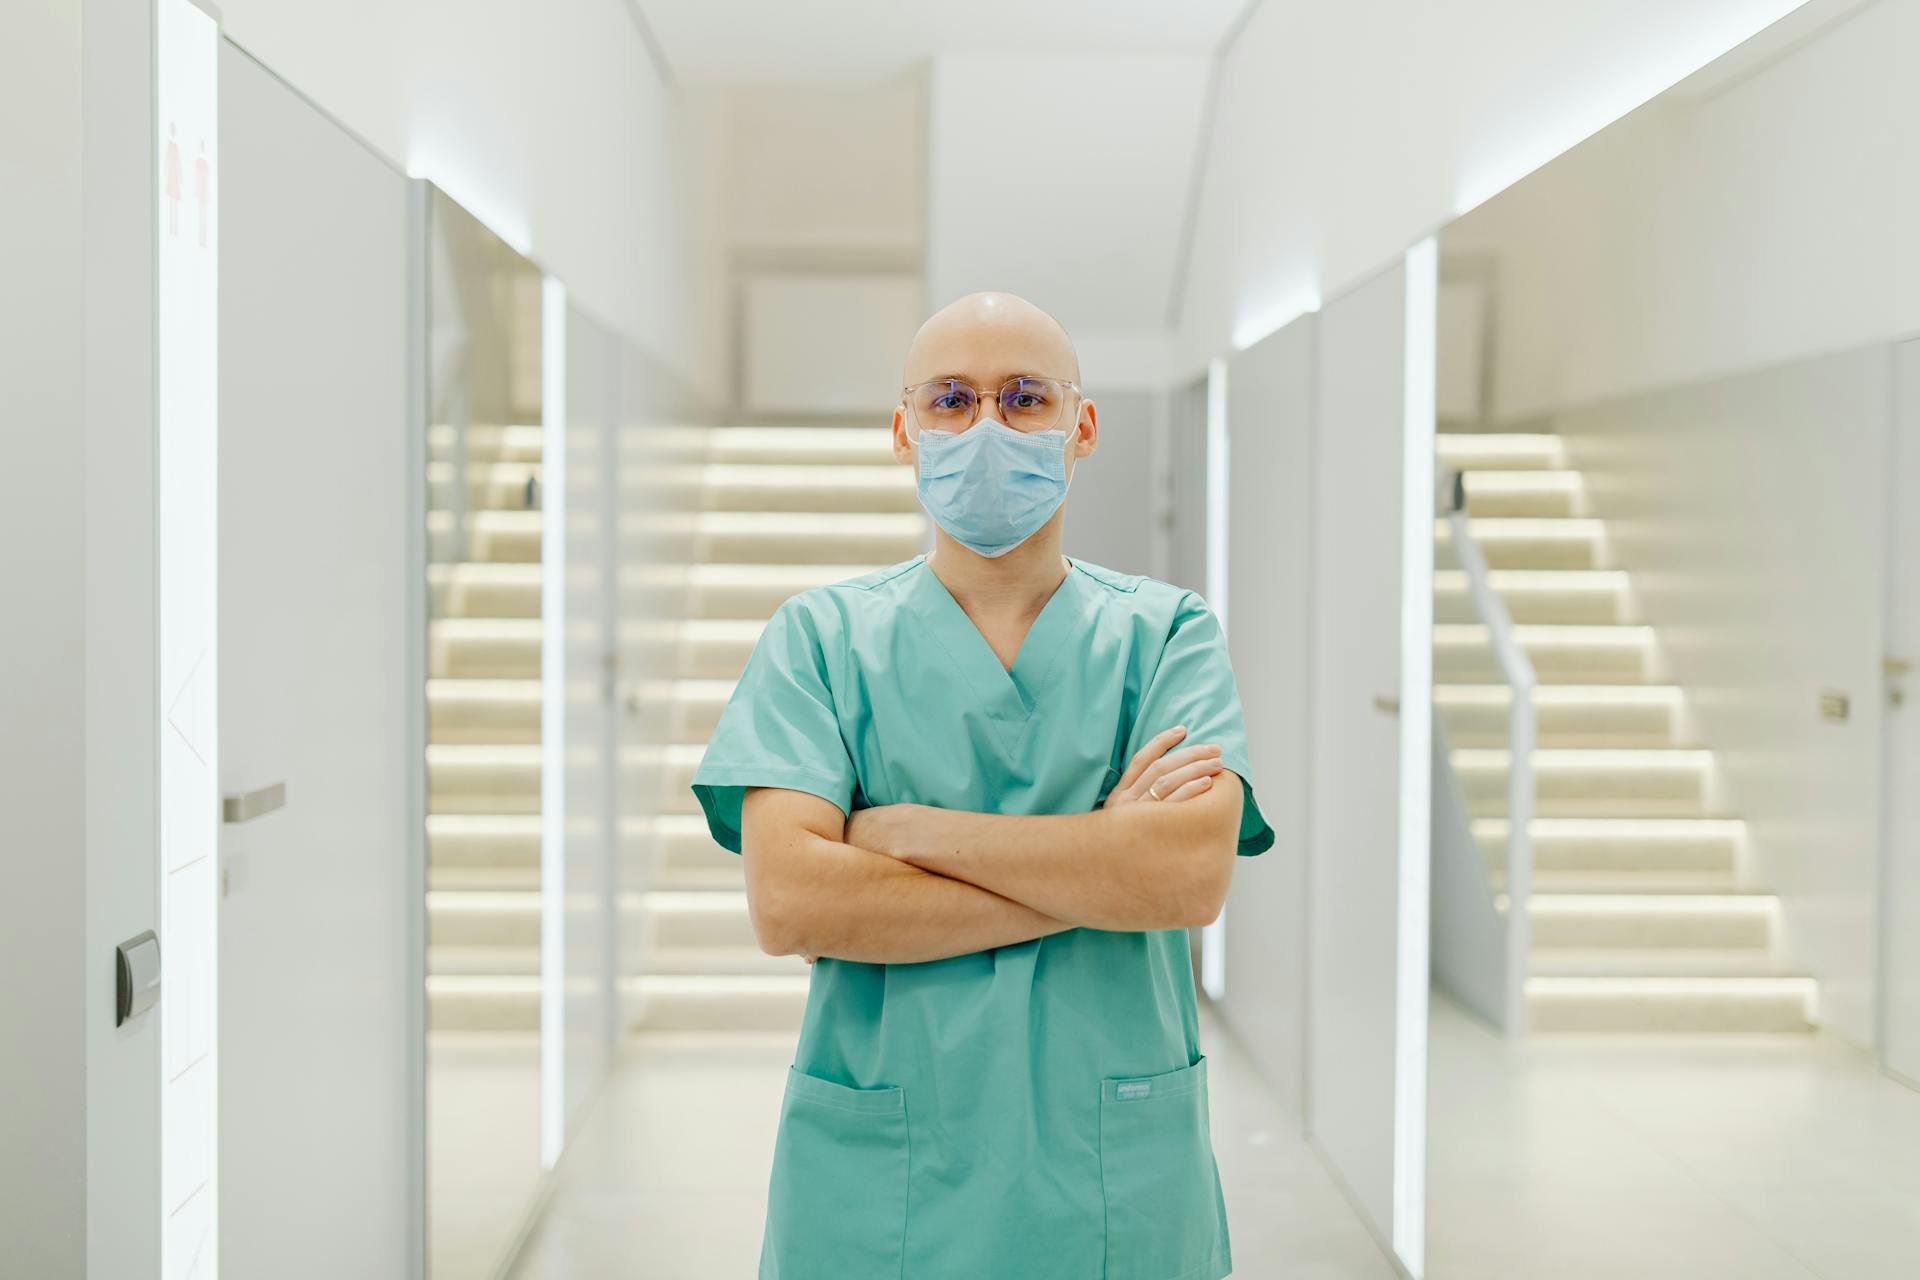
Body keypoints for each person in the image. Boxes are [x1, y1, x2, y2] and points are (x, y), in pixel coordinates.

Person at [691, 291, 1274, 1279]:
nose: (988, 426)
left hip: (1112, 1175)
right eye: (952, 399)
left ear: (1080, 427)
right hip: (885, 1177)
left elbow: (1184, 879)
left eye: (1026, 397)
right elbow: (790, 899)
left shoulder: (1168, 634)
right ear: (904, 429)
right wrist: (1096, 859)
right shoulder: (821, 640)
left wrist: (906, 832)